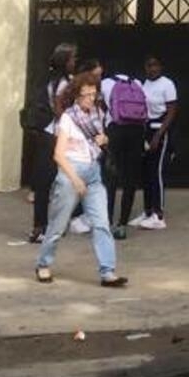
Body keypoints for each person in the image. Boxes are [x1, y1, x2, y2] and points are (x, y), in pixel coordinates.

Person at [34, 74, 127, 287]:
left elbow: (100, 140)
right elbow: (58, 155)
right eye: (86, 95)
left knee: (102, 223)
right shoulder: (67, 118)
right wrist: (75, 180)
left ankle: (108, 272)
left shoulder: (98, 113)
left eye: (94, 94)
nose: (91, 99)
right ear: (76, 95)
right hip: (70, 172)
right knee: (58, 224)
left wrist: (105, 139)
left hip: (93, 172)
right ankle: (43, 264)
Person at [25, 43, 76, 243]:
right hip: (55, 136)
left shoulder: (50, 79)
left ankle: (41, 226)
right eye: (72, 58)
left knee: (46, 183)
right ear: (65, 61)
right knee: (54, 182)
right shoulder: (63, 84)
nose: (75, 62)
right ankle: (43, 227)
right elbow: (58, 110)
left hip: (47, 134)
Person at [101, 68, 149, 238]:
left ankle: (106, 222)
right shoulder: (138, 83)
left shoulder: (105, 83)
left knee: (111, 176)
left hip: (115, 130)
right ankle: (122, 224)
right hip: (136, 131)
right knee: (130, 178)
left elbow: (101, 108)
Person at [137, 55, 178, 230]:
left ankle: (158, 215)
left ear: (160, 67)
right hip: (146, 129)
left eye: (155, 65)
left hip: (160, 129)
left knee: (157, 171)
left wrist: (158, 135)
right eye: (148, 65)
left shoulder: (167, 84)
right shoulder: (143, 85)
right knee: (146, 172)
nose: (152, 69)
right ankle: (147, 211)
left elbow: (171, 112)